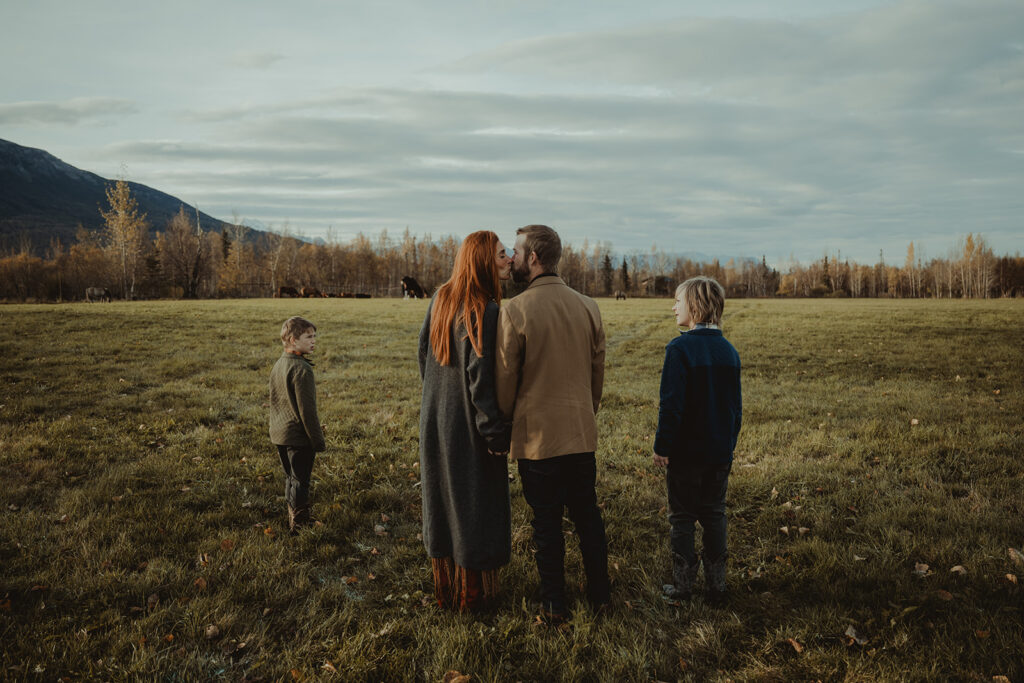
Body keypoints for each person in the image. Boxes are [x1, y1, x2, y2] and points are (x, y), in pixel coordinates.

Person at [495, 224, 610, 622]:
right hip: (580, 432)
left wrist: (506, 426)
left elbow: (506, 381)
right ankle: (601, 596)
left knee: (546, 525)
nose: (513, 258)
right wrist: (584, 412)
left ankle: (554, 604)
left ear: (534, 258)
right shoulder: (588, 306)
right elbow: (597, 374)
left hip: (537, 439)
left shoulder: (515, 310)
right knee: (587, 516)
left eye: (517, 251)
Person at [418, 230, 513, 612]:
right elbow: (480, 379)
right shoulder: (485, 310)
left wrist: (438, 399)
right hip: (471, 428)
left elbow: (423, 355)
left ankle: (447, 591)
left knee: (444, 500)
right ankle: (473, 598)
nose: (509, 259)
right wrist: (495, 434)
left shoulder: (442, 297)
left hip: (436, 418)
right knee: (473, 506)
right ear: (484, 261)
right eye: (502, 254)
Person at [653, 276, 742, 604]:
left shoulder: (679, 349)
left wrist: (663, 446)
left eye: (678, 301)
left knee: (683, 516)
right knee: (714, 513)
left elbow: (671, 405)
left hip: (686, 454)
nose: (673, 306)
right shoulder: (729, 351)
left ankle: (683, 586)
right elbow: (736, 409)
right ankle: (717, 587)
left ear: (695, 307)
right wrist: (728, 444)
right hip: (719, 452)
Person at [269, 316, 327, 534]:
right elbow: (307, 412)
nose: (314, 341)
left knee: (291, 478)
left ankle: (292, 515)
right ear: (293, 340)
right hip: (298, 436)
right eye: (308, 337)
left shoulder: (279, 363)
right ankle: (300, 524)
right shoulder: (302, 370)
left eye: (314, 336)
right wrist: (317, 441)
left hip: (279, 434)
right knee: (301, 481)